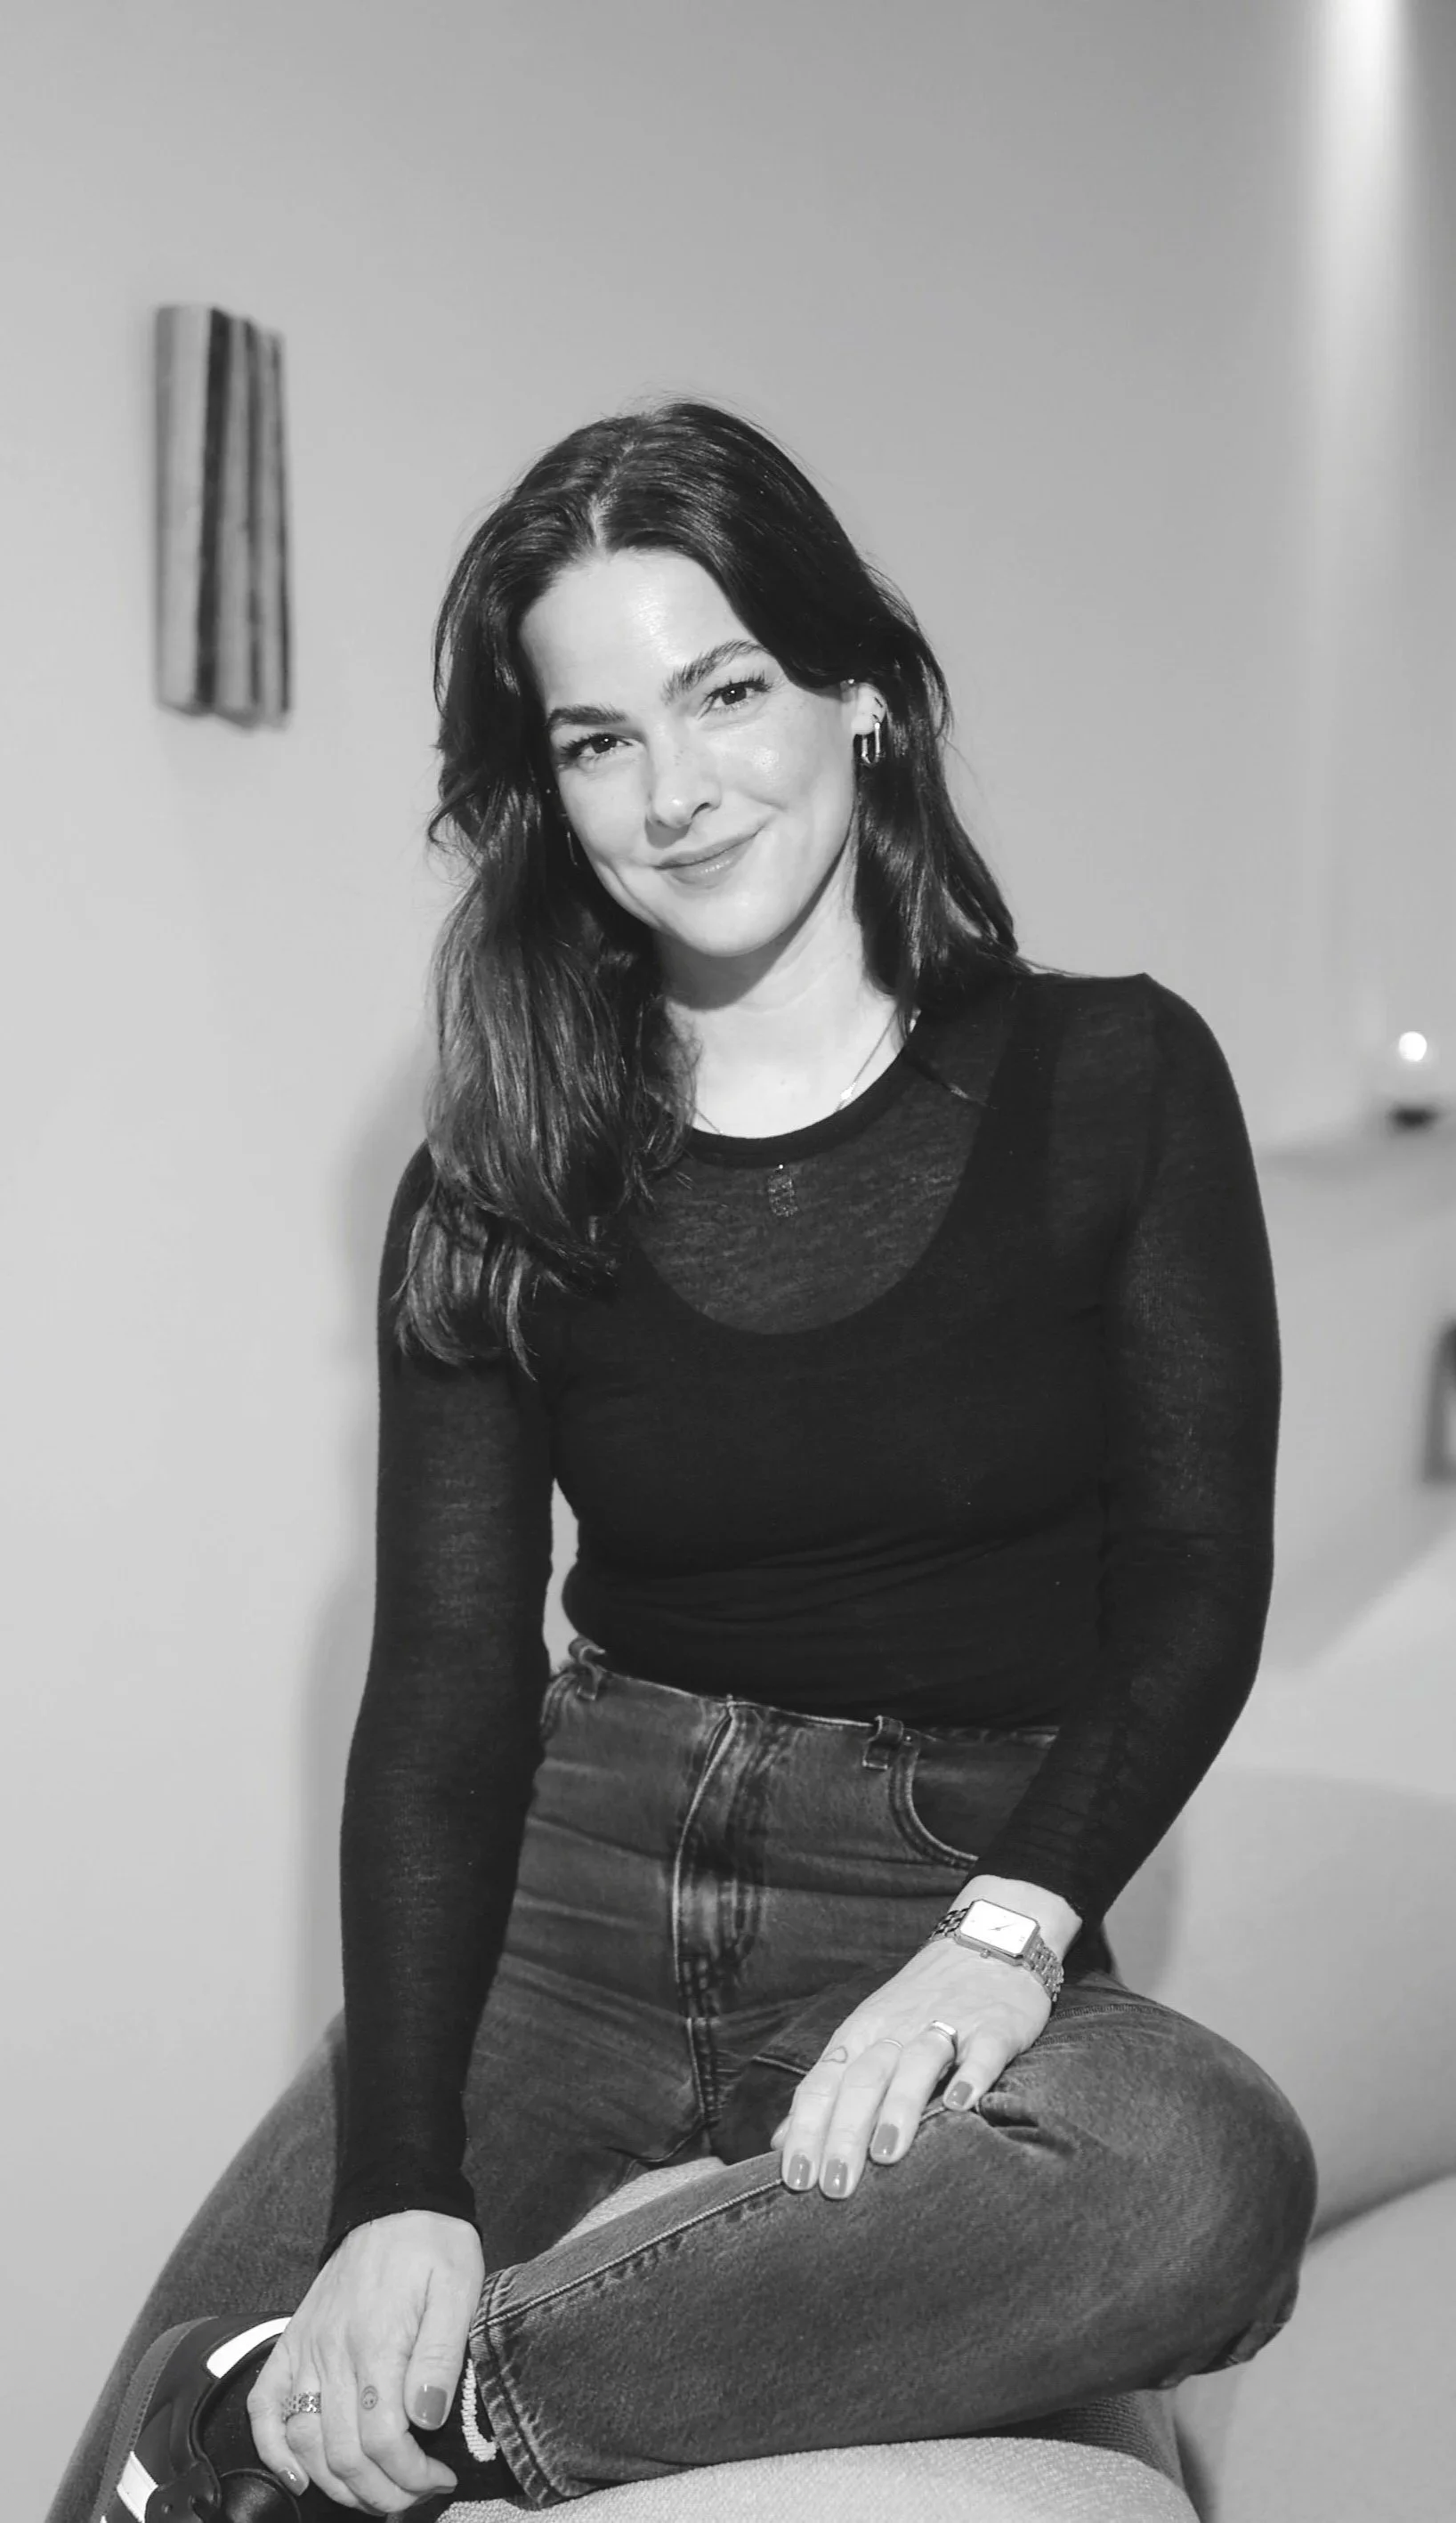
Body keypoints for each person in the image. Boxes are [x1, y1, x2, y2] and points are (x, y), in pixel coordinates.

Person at [63, 399, 1317, 2523]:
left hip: (935, 1878)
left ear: (860, 696)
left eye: (723, 691)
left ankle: (411, 2419)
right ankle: (270, 2408)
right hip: (569, 1884)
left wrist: (1003, 1938)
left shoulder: (1113, 1078)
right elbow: (445, 1688)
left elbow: (1192, 1576)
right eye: (595, 738)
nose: (672, 789)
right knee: (119, 2468)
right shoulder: (500, 1165)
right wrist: (397, 2190)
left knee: (1200, 2170)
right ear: (547, 791)